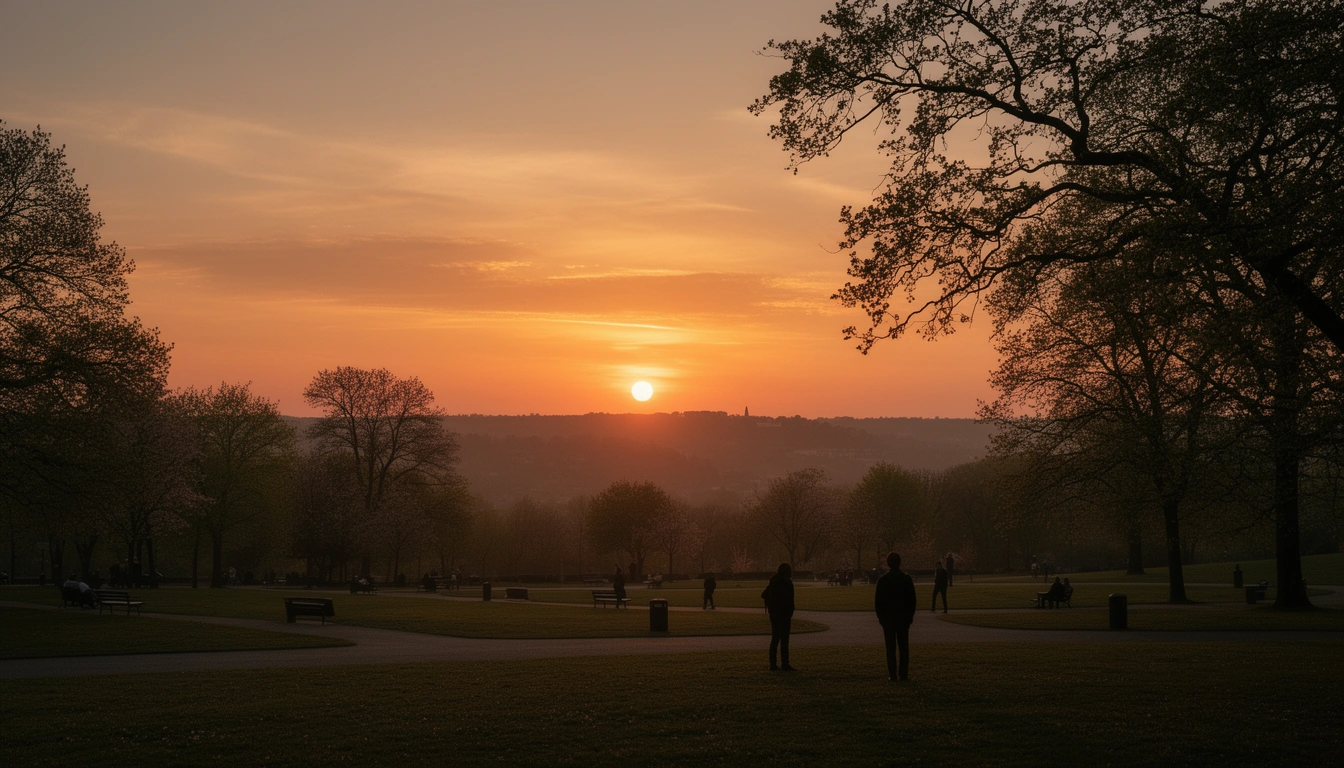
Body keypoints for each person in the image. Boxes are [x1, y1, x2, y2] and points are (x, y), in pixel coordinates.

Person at [875, 552, 917, 681]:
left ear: (888, 563)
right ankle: (903, 674)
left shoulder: (883, 580)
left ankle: (892, 675)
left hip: (888, 618)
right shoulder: (906, 579)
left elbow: (878, 601)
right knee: (904, 647)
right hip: (903, 617)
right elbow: (912, 600)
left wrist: (881, 617)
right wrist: (910, 616)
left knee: (890, 648)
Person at [761, 563, 796, 671]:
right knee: (784, 640)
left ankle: (773, 664)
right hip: (784, 614)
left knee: (775, 638)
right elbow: (789, 598)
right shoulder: (786, 583)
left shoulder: (773, 582)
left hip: (774, 613)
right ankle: (785, 664)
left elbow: (764, 594)